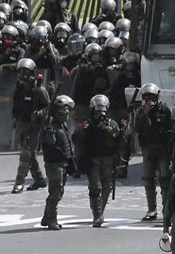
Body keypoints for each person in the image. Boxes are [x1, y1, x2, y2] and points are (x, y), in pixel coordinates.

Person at [134, 83, 174, 221]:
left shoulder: (165, 110)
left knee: (165, 179)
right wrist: (145, 112)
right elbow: (136, 128)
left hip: (162, 148)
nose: (150, 100)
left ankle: (167, 210)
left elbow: (171, 129)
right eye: (147, 98)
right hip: (148, 148)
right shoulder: (140, 111)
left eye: (152, 97)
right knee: (148, 179)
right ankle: (151, 209)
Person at [10, 58, 49, 194]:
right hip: (22, 123)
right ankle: (39, 179)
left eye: (26, 71)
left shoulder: (39, 90)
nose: (23, 74)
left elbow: (48, 107)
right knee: (29, 154)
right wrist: (14, 119)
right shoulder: (19, 88)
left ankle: (19, 182)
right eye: (21, 71)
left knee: (25, 153)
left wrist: (38, 113)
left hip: (34, 126)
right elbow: (15, 106)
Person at [82, 93, 120, 227]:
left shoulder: (112, 123)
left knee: (107, 188)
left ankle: (100, 211)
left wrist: (117, 131)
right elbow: (78, 140)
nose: (100, 114)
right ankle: (97, 215)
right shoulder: (88, 124)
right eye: (98, 111)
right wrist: (82, 130)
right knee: (95, 188)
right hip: (93, 161)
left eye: (102, 111)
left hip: (108, 160)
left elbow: (120, 140)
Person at [40, 95, 75, 230]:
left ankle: (46, 218)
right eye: (63, 111)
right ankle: (51, 220)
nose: (66, 114)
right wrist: (49, 128)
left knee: (58, 191)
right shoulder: (50, 126)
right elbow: (50, 142)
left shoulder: (62, 124)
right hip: (54, 164)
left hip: (63, 162)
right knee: (56, 192)